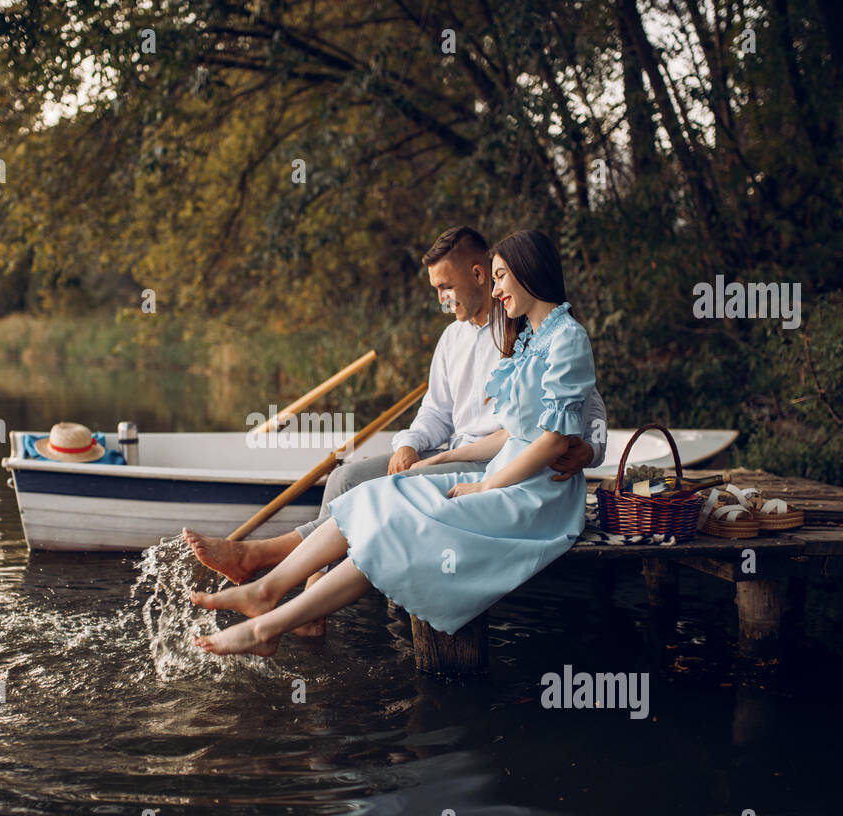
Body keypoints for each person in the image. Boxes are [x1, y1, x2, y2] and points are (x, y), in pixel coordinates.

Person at [191, 228, 595, 656]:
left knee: (390, 512)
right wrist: (409, 446)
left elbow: (569, 426)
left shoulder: (532, 332)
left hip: (516, 481)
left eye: (447, 286)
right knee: (349, 481)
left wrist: (586, 450)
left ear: (489, 274)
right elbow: (443, 415)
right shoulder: (510, 336)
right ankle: (279, 596)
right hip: (481, 460)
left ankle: (263, 576)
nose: (493, 290)